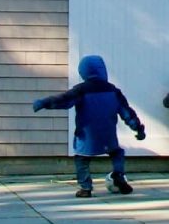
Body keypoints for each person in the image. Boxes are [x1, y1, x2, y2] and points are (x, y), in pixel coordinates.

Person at [32, 54, 146, 197]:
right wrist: (138, 128)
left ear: (83, 72)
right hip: (108, 135)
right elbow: (127, 112)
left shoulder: (81, 90)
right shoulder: (113, 91)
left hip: (87, 136)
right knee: (117, 153)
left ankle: (86, 188)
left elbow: (63, 100)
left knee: (82, 159)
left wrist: (44, 103)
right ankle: (118, 175)